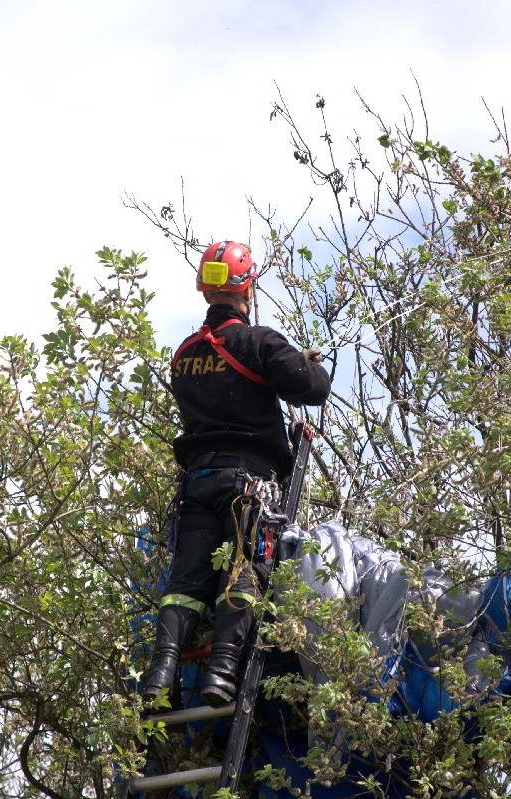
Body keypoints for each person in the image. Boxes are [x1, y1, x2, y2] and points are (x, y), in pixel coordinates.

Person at [143, 240, 331, 707]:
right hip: (250, 485)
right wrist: (307, 365)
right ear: (247, 285)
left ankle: (159, 673)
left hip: (198, 485)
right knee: (246, 571)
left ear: (203, 289)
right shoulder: (259, 342)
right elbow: (313, 390)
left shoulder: (184, 354)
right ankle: (223, 673)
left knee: (184, 588)